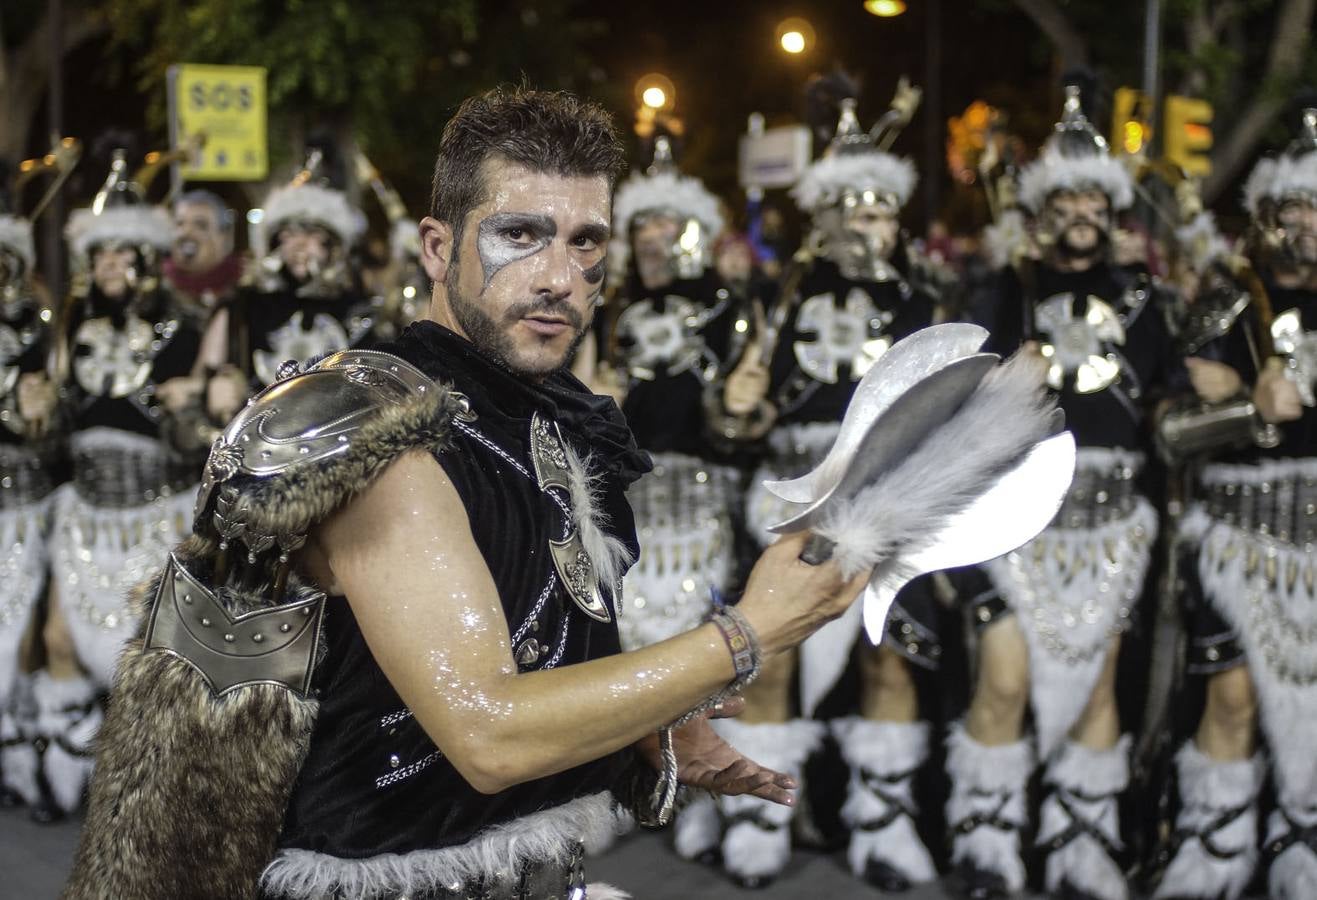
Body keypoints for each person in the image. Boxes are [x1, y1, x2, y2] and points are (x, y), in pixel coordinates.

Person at [62, 87, 877, 900]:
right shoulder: (386, 447)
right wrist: (747, 634)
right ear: (436, 247)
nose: (561, 276)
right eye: (520, 235)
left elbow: (514, 648)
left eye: (585, 241)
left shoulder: (532, 417)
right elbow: (488, 732)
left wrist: (629, 727)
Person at [714, 87, 948, 890]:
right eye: (846, 207)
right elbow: (739, 418)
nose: (861, 223)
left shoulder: (922, 301)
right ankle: (758, 819)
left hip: (893, 501)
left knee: (892, 662)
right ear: (819, 215)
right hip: (794, 496)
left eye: (877, 209)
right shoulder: (779, 298)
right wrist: (738, 408)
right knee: (768, 657)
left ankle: (882, 825)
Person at [952, 86, 1178, 900]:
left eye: (1093, 196)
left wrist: (1199, 388)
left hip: (1112, 522)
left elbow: (1169, 402)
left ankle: (1083, 847)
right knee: (1003, 678)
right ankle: (986, 844)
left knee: (1097, 682)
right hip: (1013, 518)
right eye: (1064, 197)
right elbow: (951, 401)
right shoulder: (1002, 290)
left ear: (1110, 209)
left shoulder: (1146, 299)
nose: (1079, 210)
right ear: (1040, 207)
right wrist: (1006, 384)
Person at [1153, 108, 1317, 900]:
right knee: (1232, 697)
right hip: (1232, 537)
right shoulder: (1223, 306)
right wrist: (1247, 410)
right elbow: (1169, 429)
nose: (1314, 223)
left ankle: (1300, 849)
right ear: (1271, 214)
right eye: (1303, 206)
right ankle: (1211, 852)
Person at [19, 148, 204, 823]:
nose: (109, 268)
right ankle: (61, 778)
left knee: (142, 659)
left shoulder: (187, 326)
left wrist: (192, 406)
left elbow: (207, 435)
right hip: (85, 510)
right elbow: (55, 427)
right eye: (99, 258)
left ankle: (139, 796)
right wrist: (40, 412)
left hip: (157, 511)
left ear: (148, 258)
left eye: (122, 255)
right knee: (60, 639)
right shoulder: (68, 328)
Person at [595, 133, 756, 863]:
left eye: (665, 224)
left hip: (702, 497)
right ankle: (637, 781)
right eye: (642, 226)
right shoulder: (612, 309)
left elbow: (743, 415)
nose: (653, 239)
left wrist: (735, 407)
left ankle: (695, 790)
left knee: (695, 653)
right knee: (631, 651)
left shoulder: (728, 307)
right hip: (630, 500)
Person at [197, 155, 374, 424]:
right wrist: (215, 392)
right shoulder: (243, 307)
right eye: (288, 235)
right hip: (260, 440)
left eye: (313, 235)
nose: (299, 245)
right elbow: (206, 378)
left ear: (334, 247)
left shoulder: (360, 312)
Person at [0, 182, 62, 810]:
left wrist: (31, 413)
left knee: (19, 633)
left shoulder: (32, 329)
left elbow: (43, 425)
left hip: (20, 501)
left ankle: (22, 765)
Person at [163, 189, 243, 326]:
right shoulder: (157, 288)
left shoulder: (244, 287)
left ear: (223, 237)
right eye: (179, 224)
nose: (186, 233)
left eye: (200, 225)